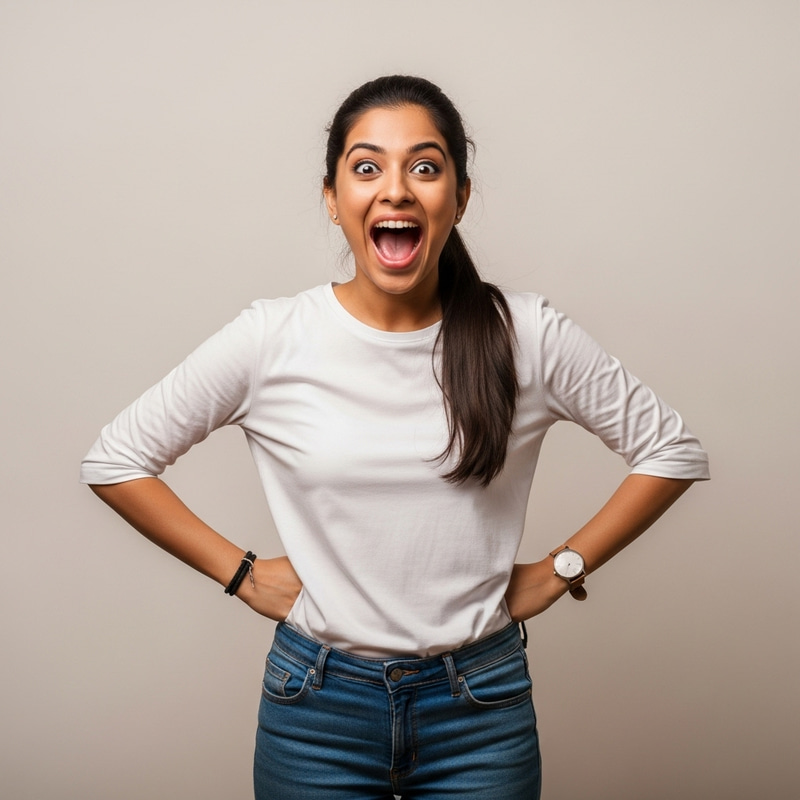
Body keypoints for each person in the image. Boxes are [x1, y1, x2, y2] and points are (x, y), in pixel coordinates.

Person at [81, 75, 709, 799]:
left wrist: (561, 570)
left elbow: (672, 450)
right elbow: (115, 460)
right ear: (332, 198)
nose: (397, 189)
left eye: (426, 166)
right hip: (315, 707)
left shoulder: (524, 333)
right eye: (367, 166)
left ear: (460, 198)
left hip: (481, 707)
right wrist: (244, 574)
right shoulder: (273, 339)